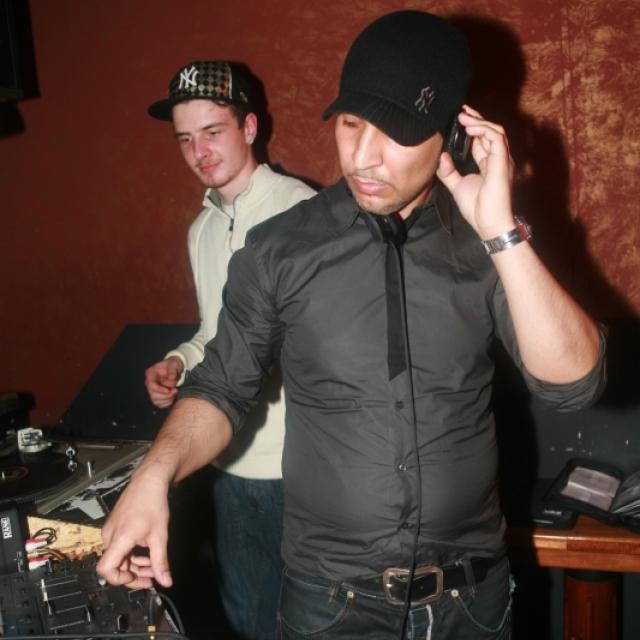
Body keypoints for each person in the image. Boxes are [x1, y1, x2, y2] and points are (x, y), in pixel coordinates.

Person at [98, 12, 606, 639]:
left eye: (395, 133)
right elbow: (222, 386)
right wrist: (153, 474)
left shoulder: (486, 244)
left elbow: (573, 385)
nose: (363, 157)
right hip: (331, 606)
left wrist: (500, 230)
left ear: (450, 136)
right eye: (351, 124)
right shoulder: (279, 249)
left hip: (470, 604)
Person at [143, 60, 315, 639]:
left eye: (212, 132)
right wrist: (180, 360)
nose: (199, 152)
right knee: (247, 623)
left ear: (249, 127)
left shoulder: (301, 211)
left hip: (300, 470)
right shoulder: (203, 230)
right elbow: (215, 332)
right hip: (225, 466)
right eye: (185, 139)